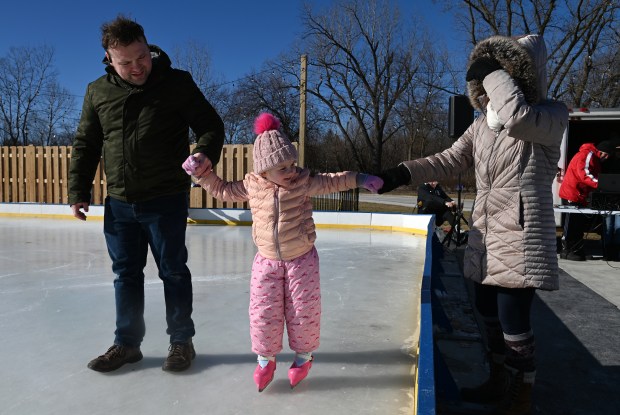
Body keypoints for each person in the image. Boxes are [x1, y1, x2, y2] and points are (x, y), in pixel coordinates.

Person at [379, 34, 568, 414]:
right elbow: (449, 160)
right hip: (485, 231)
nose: (491, 84)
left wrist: (493, 71)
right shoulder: (482, 126)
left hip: (521, 231)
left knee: (513, 319)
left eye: (503, 74)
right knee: (486, 311)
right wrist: (401, 173)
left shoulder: (549, 114)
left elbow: (517, 117)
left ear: (521, 75)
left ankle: (521, 393)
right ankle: (498, 380)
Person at [68, 15, 225, 373]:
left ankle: (181, 341)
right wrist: (78, 189)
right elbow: (86, 144)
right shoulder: (98, 91)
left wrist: (203, 151)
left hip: (166, 197)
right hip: (120, 202)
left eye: (142, 56)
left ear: (147, 46)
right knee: (125, 274)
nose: (138, 67)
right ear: (110, 59)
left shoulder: (176, 83)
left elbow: (211, 125)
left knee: (172, 271)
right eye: (126, 62)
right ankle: (127, 344)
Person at [182, 113, 383, 392]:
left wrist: (361, 178)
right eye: (282, 167)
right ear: (264, 170)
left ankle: (303, 357)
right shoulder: (253, 185)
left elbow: (333, 181)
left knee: (304, 311)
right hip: (266, 261)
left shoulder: (303, 181)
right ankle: (265, 360)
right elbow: (223, 190)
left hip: (302, 259)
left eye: (291, 163)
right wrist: (202, 174)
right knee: (263, 312)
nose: (290, 170)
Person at [558, 140, 615, 261]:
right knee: (571, 224)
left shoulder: (595, 158)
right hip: (572, 194)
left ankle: (577, 249)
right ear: (599, 150)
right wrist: (602, 185)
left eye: (608, 155)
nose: (606, 157)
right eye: (605, 154)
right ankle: (567, 250)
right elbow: (585, 175)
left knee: (579, 225)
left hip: (580, 196)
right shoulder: (587, 155)